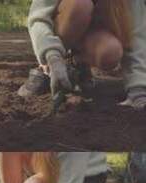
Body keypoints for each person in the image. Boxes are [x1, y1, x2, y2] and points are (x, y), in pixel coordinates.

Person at [18, 0, 146, 110]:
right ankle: (46, 70)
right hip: (62, 26)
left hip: (93, 36)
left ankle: (75, 66)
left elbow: (136, 33)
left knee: (110, 52)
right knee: (81, 5)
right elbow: (38, 18)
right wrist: (52, 56)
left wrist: (138, 89)